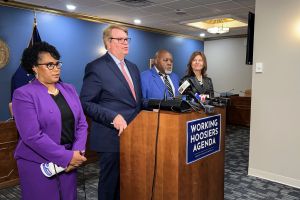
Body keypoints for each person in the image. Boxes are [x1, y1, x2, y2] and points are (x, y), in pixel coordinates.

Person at [12, 42, 88, 200]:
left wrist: (77, 153)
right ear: (34, 67)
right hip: (38, 163)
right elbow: (32, 136)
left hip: (70, 161)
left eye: (57, 63)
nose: (57, 68)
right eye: (49, 65)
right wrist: (66, 158)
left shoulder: (69, 89)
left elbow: (81, 124)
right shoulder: (24, 94)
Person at [80, 24, 142, 200]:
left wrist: (160, 105)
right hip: (110, 137)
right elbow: (85, 102)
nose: (125, 43)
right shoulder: (96, 67)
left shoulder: (133, 67)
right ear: (108, 43)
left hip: (134, 135)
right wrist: (112, 116)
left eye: (127, 39)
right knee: (110, 185)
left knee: (129, 182)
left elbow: (136, 102)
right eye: (120, 39)